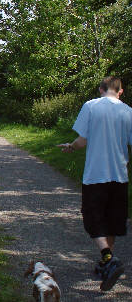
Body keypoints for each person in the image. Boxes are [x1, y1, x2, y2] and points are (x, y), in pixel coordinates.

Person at [57, 76, 132, 291]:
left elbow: (82, 140)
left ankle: (109, 258)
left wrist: (71, 146)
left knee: (93, 217)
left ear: (101, 89)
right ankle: (106, 264)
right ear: (121, 91)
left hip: (96, 175)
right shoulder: (128, 112)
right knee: (112, 220)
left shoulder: (91, 107)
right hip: (120, 176)